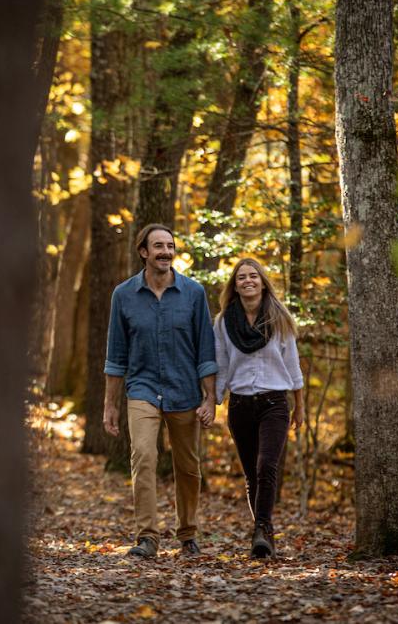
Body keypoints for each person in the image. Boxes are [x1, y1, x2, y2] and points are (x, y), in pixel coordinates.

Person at [103, 223, 218, 559]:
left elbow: (205, 352)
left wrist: (210, 398)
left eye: (170, 246)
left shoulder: (194, 294)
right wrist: (110, 405)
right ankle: (147, 537)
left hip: (184, 390)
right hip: (142, 388)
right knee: (143, 456)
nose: (166, 252)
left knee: (188, 466)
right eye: (158, 246)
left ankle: (188, 534)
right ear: (144, 252)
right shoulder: (123, 295)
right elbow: (115, 356)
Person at [214, 257, 304, 558]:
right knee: (252, 473)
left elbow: (292, 365)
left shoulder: (279, 319)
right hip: (239, 406)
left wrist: (300, 405)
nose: (248, 281)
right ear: (235, 285)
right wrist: (211, 402)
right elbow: (222, 366)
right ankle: (262, 530)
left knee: (267, 465)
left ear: (263, 282)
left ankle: (262, 530)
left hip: (274, 403)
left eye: (254, 276)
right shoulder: (224, 322)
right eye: (241, 277)